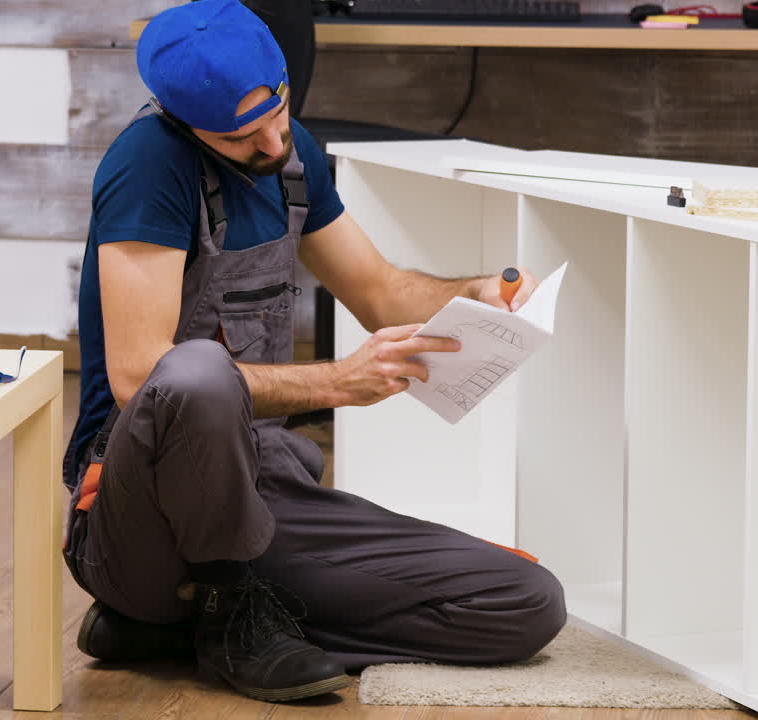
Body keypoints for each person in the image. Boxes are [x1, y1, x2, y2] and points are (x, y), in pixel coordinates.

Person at [62, 0, 567, 703]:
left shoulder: (291, 155)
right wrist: (334, 382)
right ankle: (218, 607)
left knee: (526, 602)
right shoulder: (149, 163)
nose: (273, 144)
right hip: (137, 520)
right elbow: (139, 375)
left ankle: (189, 626)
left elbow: (383, 291)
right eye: (243, 137)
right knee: (197, 374)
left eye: (280, 113)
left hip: (261, 491)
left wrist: (477, 292)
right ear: (183, 121)